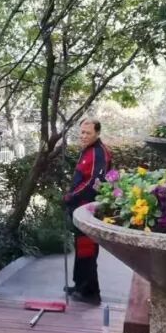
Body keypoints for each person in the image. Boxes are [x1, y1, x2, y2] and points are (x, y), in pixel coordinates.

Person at [63, 119, 112, 304]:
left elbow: (93, 183)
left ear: (97, 133)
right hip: (79, 208)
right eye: (82, 132)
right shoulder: (88, 150)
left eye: (88, 133)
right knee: (81, 248)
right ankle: (80, 285)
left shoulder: (99, 153)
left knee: (87, 250)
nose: (83, 136)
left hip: (88, 209)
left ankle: (91, 293)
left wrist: (71, 197)